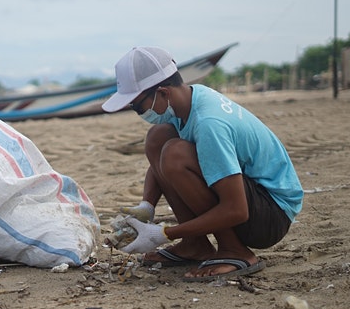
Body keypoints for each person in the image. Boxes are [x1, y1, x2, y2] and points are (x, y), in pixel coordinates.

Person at [102, 46, 303, 282]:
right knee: (158, 138)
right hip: (254, 201)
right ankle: (194, 244)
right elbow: (159, 166)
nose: (138, 112)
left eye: (137, 106)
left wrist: (164, 233)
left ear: (163, 93)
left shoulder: (209, 123)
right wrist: (147, 205)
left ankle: (235, 251)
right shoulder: (189, 101)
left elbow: (237, 209)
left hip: (271, 214)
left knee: (174, 154)